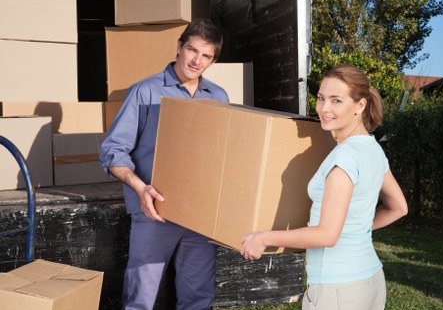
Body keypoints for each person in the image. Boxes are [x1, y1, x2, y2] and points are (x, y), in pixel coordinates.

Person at [241, 64, 408, 310]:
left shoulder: (344, 159)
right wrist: (354, 229)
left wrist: (265, 237)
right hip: (369, 281)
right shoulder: (372, 149)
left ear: (360, 105)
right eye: (321, 98)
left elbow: (327, 235)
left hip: (338, 291)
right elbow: (399, 207)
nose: (324, 108)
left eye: (336, 101)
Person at [100, 18, 229, 310]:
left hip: (201, 216)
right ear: (179, 47)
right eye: (192, 50)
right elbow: (112, 151)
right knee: (140, 301)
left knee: (198, 299)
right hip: (154, 211)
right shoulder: (144, 92)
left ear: (213, 60)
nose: (197, 60)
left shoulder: (219, 98)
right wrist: (139, 187)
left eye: (206, 55)